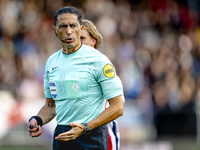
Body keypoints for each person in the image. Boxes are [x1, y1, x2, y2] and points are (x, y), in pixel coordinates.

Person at [28, 6, 124, 150]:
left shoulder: (98, 60)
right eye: (63, 26)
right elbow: (51, 106)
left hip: (91, 135)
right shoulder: (51, 62)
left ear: (80, 28)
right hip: (62, 135)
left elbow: (117, 107)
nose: (68, 31)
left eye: (73, 26)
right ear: (55, 31)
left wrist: (85, 127)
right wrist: (37, 119)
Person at [81, 19, 123, 150]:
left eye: (82, 38)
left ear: (93, 41)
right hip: (80, 132)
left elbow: (118, 105)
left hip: (102, 133)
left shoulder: (102, 64)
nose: (78, 42)